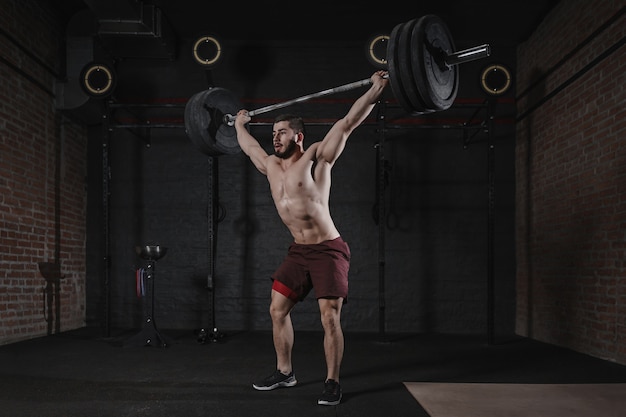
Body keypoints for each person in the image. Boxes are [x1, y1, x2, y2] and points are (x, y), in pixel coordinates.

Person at [233, 70, 389, 406]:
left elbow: (347, 123)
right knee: (277, 309)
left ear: (299, 136)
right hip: (299, 252)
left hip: (328, 250)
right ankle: (285, 372)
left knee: (329, 316)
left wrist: (375, 91)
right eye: (273, 133)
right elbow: (249, 148)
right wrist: (239, 125)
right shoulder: (271, 165)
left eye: (282, 132)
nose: (275, 138)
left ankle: (333, 381)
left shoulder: (315, 158)